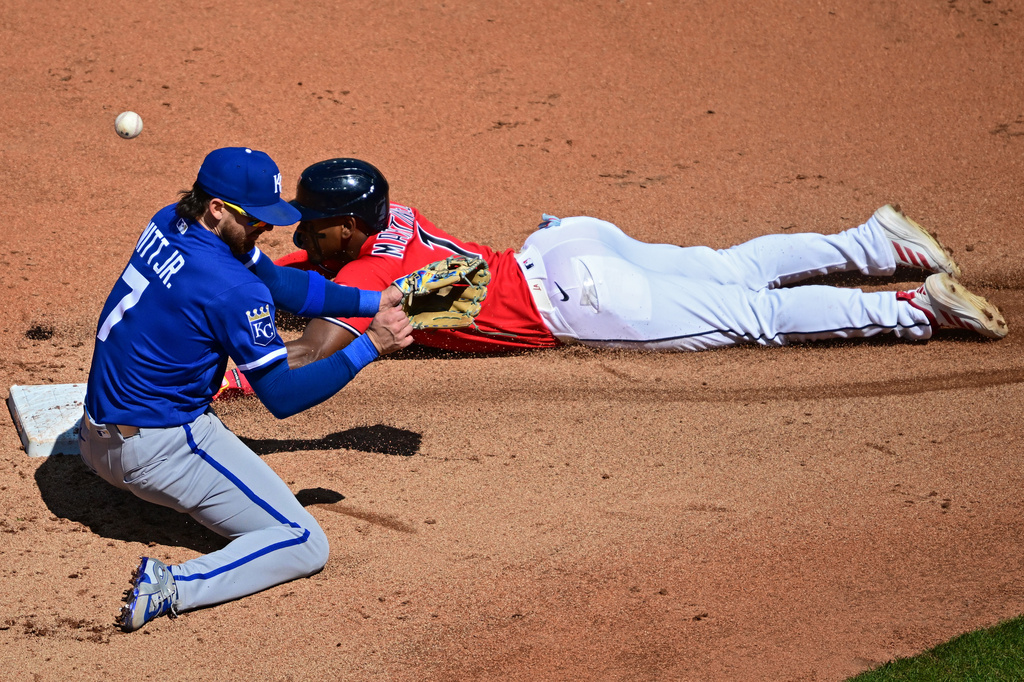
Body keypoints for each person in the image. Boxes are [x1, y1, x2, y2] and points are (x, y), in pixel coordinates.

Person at [239, 158, 1004, 373]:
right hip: (570, 242)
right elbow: (320, 263)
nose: (298, 231)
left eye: (310, 222)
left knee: (756, 317)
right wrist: (262, 266)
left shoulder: (370, 279)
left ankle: (911, 306)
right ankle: (873, 244)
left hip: (582, 299)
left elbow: (313, 349)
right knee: (729, 264)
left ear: (344, 226)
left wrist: (234, 375)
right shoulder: (392, 222)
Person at [80, 148, 413, 632]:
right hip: (157, 450)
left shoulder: (170, 220)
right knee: (303, 540)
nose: (267, 229)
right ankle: (174, 585)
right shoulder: (234, 288)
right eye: (256, 219)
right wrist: (371, 346)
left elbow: (281, 284)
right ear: (218, 207)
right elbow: (282, 396)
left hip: (94, 438)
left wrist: (374, 299)